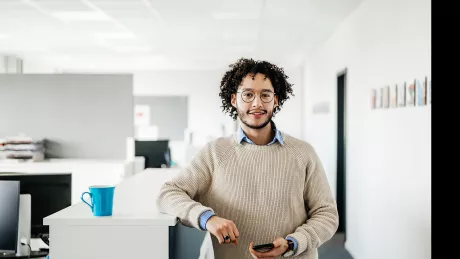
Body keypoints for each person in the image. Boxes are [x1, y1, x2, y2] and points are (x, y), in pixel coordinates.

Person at [156, 58, 339, 259]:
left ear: (275, 100)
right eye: (248, 94)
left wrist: (292, 243)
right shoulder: (215, 152)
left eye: (265, 95)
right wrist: (207, 218)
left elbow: (327, 214)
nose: (257, 103)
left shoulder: (303, 153)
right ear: (234, 100)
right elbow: (168, 194)